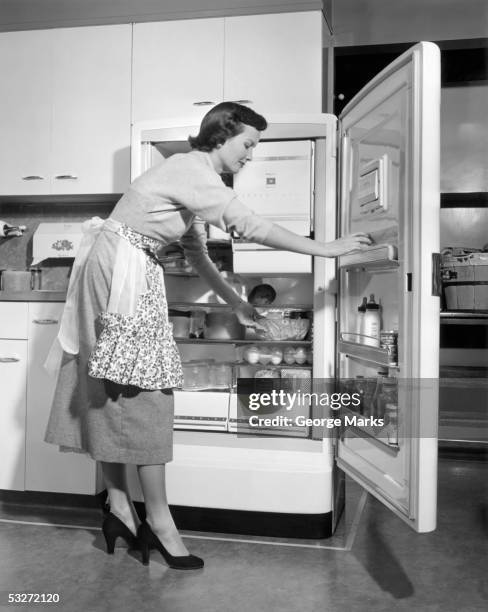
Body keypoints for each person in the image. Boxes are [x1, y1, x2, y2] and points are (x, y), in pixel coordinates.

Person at [44, 102, 371, 570]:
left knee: (113, 387)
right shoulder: (189, 169)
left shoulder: (192, 179)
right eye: (248, 143)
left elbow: (197, 254)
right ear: (221, 135)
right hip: (120, 274)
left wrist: (236, 304)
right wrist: (324, 248)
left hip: (124, 269)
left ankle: (119, 507)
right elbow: (248, 225)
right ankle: (159, 523)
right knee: (140, 391)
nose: (251, 155)